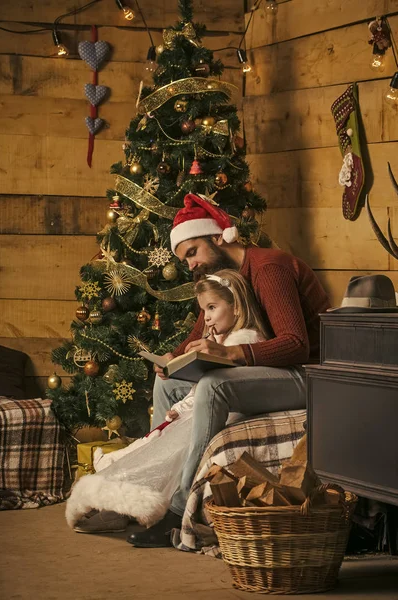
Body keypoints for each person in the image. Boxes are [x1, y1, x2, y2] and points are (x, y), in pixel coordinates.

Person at [127, 193, 331, 548]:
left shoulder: (268, 268)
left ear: (218, 236)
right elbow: (197, 335)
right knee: (167, 386)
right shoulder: (225, 277)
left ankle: (177, 513)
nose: (190, 264)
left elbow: (295, 344)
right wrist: (169, 362)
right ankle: (153, 495)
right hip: (273, 374)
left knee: (215, 385)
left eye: (192, 252)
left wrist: (230, 352)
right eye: (184, 258)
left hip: (308, 375)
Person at [65, 270, 267, 536]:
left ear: (237, 307)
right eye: (203, 309)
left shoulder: (243, 342)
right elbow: (199, 390)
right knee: (152, 443)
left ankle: (129, 506)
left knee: (164, 452)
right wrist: (179, 408)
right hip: (200, 408)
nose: (205, 317)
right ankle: (114, 506)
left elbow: (219, 391)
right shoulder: (218, 340)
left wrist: (185, 410)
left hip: (224, 414)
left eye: (212, 308)